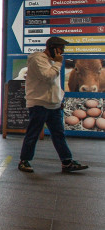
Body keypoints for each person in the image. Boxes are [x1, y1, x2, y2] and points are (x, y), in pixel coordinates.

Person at [18, 36, 88, 173]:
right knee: (33, 134)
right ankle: (24, 161)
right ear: (52, 48)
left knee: (58, 134)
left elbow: (54, 84)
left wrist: (59, 99)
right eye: (60, 49)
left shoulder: (52, 61)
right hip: (39, 104)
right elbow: (48, 77)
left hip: (53, 105)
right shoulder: (37, 59)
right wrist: (58, 63)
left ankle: (67, 162)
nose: (62, 52)